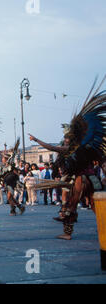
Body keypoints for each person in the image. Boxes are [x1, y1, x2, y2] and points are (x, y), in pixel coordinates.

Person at [28, 78, 106, 240]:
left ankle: (67, 233)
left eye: (67, 138)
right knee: (94, 204)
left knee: (71, 205)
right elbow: (103, 162)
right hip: (93, 179)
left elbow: (51, 148)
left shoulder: (74, 148)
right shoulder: (88, 147)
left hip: (80, 180)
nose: (65, 140)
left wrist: (36, 140)